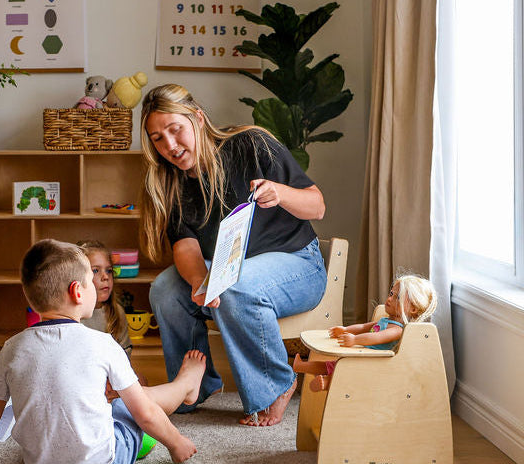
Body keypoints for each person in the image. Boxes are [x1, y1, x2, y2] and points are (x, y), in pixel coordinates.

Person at [0, 239, 205, 464]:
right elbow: (145, 415)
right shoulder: (104, 344)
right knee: (125, 405)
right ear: (77, 292)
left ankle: (183, 388)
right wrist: (177, 443)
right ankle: (183, 389)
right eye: (91, 282)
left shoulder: (12, 348)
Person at [139, 83, 327, 427]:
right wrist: (198, 281)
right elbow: (185, 244)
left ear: (197, 118)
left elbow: (317, 206)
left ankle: (275, 385)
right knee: (166, 289)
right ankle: (194, 383)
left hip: (298, 264)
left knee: (232, 284)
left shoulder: (251, 143)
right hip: (230, 267)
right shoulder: (172, 182)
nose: (169, 145)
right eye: (157, 138)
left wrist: (282, 193)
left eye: (175, 129)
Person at [293, 274, 438, 391]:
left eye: (397, 297)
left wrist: (355, 340)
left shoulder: (397, 330)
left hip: (371, 363)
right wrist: (345, 330)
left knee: (342, 372)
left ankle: (326, 382)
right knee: (332, 365)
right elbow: (363, 327)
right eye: (391, 293)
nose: (389, 299)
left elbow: (376, 337)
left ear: (413, 309)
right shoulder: (385, 320)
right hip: (361, 355)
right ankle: (300, 366)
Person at [76, 240, 133, 356]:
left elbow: (125, 356)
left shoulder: (117, 313)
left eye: (109, 271)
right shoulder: (71, 315)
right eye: (95, 271)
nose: (105, 277)